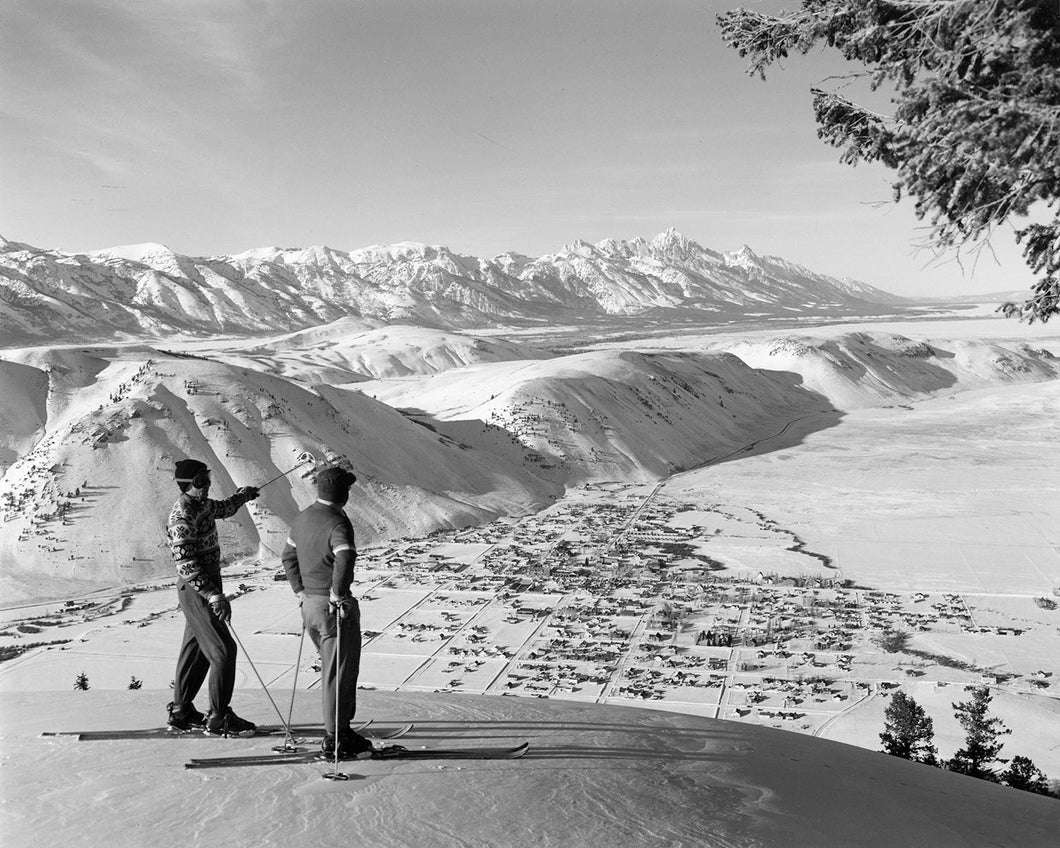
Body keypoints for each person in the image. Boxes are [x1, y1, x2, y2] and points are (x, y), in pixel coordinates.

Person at [281, 466, 371, 759]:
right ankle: (336, 737)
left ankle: (340, 730)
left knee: (331, 669)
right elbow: (344, 557)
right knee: (339, 674)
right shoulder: (337, 523)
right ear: (342, 493)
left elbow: (288, 556)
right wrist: (337, 595)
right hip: (332, 609)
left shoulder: (302, 518)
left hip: (309, 606)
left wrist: (300, 591)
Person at [166, 458, 260, 736]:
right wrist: (212, 594)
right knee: (222, 650)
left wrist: (244, 496)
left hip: (203, 586)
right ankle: (219, 717)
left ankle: (182, 711)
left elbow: (224, 508)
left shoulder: (202, 505)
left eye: (207, 479)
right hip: (197, 588)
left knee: (196, 650)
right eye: (200, 482)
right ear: (188, 485)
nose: (206, 486)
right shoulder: (181, 515)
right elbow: (185, 564)